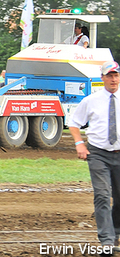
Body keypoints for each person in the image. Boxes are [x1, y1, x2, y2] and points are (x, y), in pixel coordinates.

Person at [68, 60, 120, 254]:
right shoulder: (91, 100)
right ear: (103, 78)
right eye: (109, 76)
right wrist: (78, 143)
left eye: (116, 75)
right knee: (102, 195)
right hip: (98, 153)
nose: (113, 79)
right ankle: (106, 241)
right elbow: (74, 123)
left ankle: (115, 233)